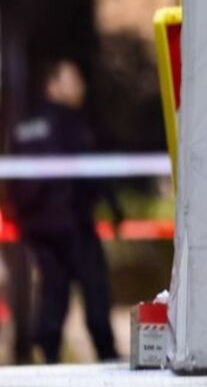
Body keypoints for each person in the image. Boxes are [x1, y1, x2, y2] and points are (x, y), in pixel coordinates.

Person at [10, 59, 120, 364]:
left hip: (53, 227)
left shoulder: (38, 125)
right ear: (53, 85)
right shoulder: (63, 124)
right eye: (72, 80)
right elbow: (88, 171)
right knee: (78, 291)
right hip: (64, 226)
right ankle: (96, 355)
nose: (80, 87)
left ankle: (50, 355)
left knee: (61, 293)